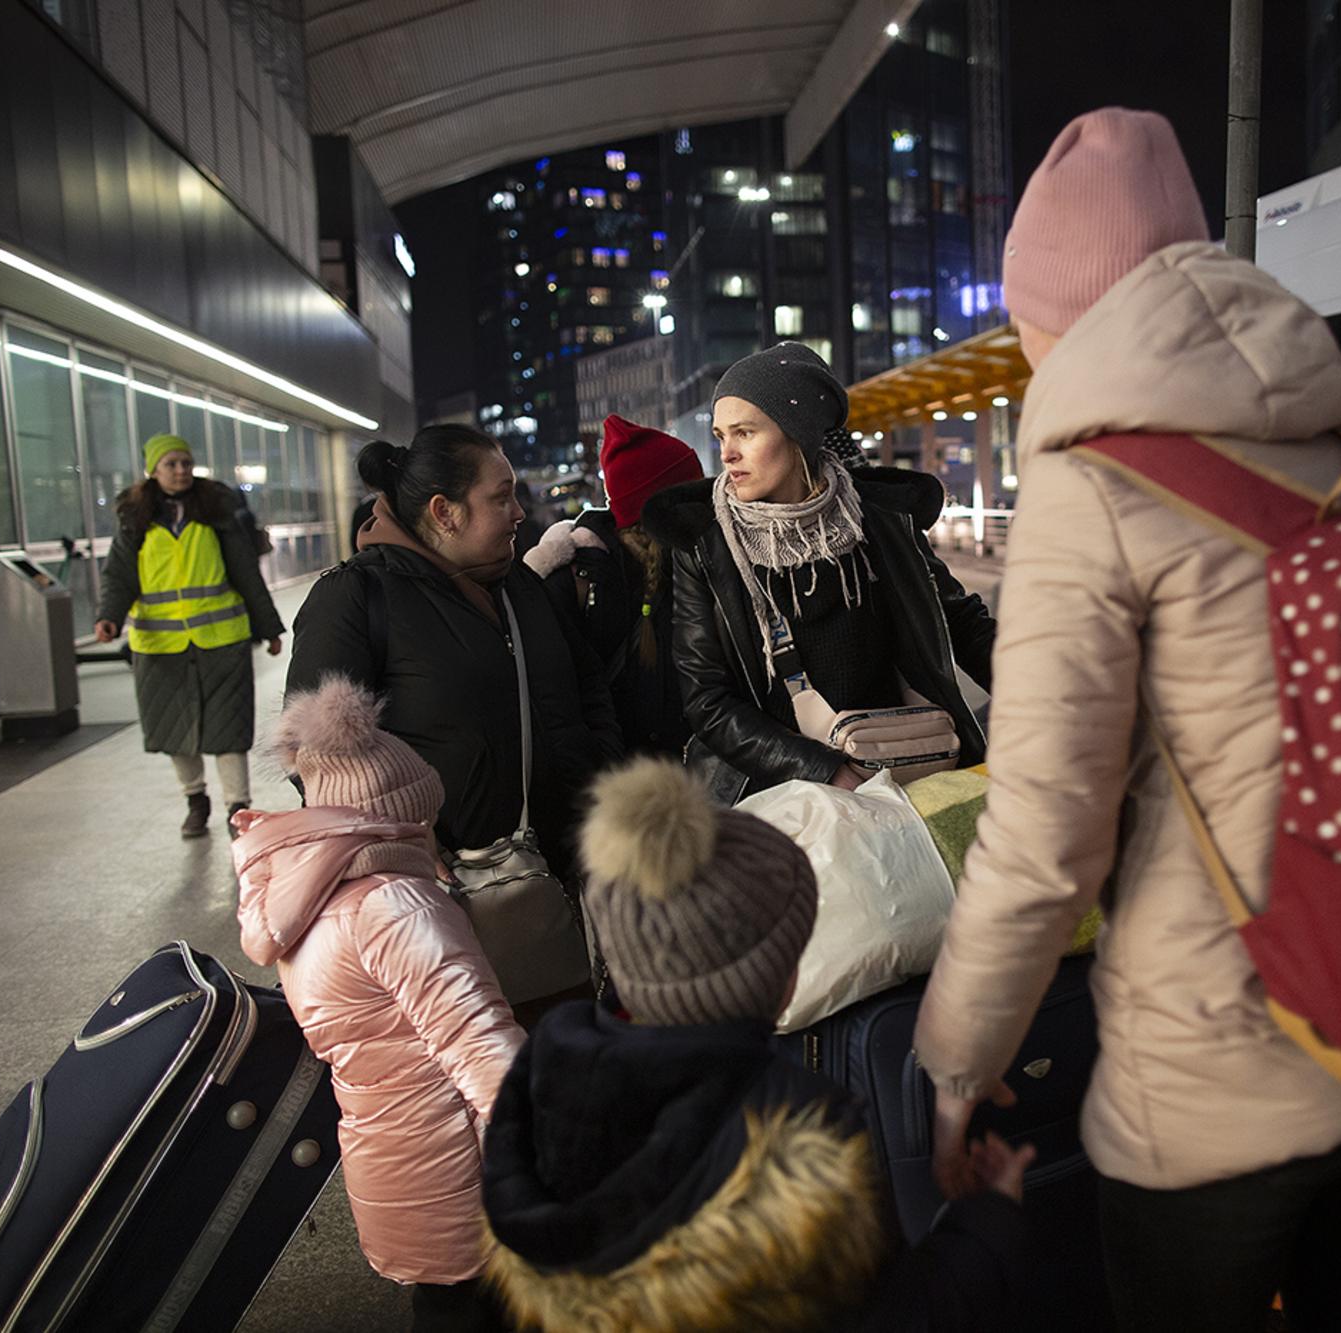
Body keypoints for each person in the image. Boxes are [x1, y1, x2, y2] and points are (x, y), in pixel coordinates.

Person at [911, 109, 1341, 1332]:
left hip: (1220, 1079)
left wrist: (953, 1062)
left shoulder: (1090, 487)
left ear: (1059, 312)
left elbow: (1046, 839)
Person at [479, 758, 1032, 1332]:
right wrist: (987, 1220)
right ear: (779, 976)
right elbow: (907, 1316)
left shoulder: (542, 1082)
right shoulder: (798, 1134)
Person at [286, 426, 622, 999]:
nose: (520, 511)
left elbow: (588, 689)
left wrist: (602, 784)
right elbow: (319, 760)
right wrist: (401, 850)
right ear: (445, 512)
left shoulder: (519, 585)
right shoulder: (354, 598)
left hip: (569, 882)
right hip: (446, 910)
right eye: (501, 496)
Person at [234, 677, 523, 1332]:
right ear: (393, 816)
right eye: (423, 817)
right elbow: (482, 1048)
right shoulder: (392, 905)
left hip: (393, 1162)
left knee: (445, 1308)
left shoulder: (308, 907)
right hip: (459, 1167)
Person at [642, 342, 995, 798]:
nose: (727, 454)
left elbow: (965, 626)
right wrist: (827, 773)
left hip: (903, 773)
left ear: (798, 433)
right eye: (720, 435)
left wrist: (1049, 701)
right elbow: (707, 700)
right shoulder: (705, 547)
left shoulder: (881, 522)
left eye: (745, 432)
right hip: (776, 792)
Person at [95, 433, 283, 838]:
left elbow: (245, 573)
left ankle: (238, 810)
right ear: (153, 470)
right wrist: (108, 617)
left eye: (185, 462)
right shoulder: (136, 519)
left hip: (221, 640)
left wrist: (268, 627)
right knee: (174, 729)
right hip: (160, 646)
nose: (180, 471)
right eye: (171, 464)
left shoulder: (216, 513)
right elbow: (119, 576)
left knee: (228, 728)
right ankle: (195, 801)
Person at [525, 414, 703, 757]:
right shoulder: (578, 578)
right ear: (668, 505)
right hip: (617, 788)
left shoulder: (695, 561)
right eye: (694, 491)